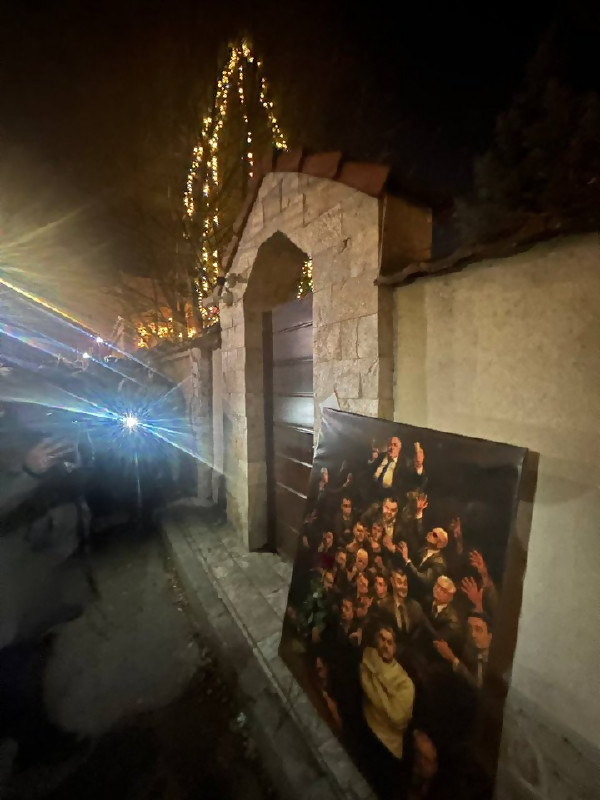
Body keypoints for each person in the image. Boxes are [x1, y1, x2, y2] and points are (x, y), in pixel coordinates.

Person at [359, 624, 415, 792]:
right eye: (382, 639)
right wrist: (386, 699)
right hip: (365, 728)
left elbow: (398, 717)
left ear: (395, 647)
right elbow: (366, 687)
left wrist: (377, 685)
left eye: (389, 642)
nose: (385, 645)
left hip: (387, 747)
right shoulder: (368, 657)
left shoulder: (405, 683)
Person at [433, 612, 492, 689]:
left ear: (490, 636)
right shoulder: (470, 652)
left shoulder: (493, 661)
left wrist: (452, 658)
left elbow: (476, 687)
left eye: (478, 629)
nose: (473, 635)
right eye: (470, 630)